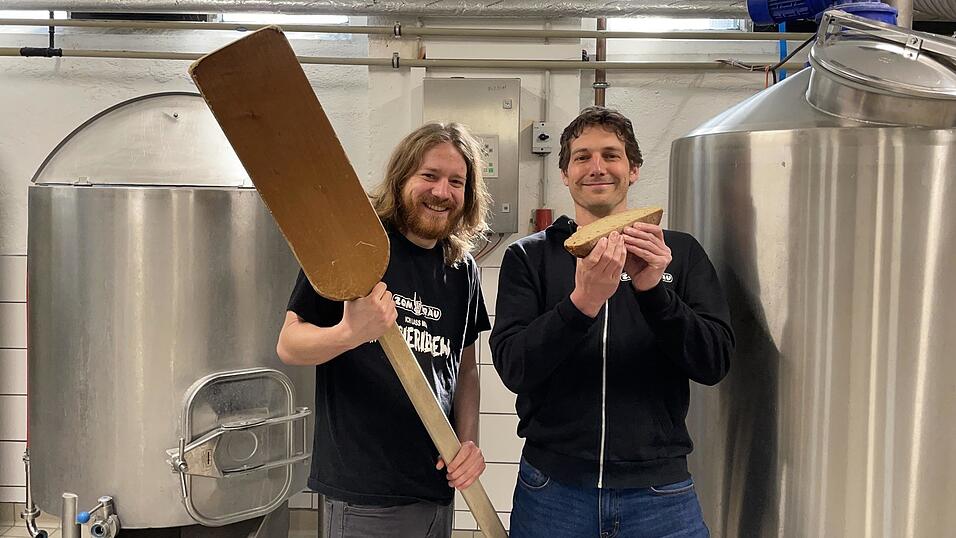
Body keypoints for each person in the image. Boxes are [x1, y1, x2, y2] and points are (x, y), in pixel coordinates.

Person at [490, 106, 735, 537]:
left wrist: (654, 293)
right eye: (582, 157)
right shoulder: (529, 256)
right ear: (564, 173)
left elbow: (712, 362)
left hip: (660, 492)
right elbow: (514, 368)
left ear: (634, 169)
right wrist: (581, 303)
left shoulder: (679, 252)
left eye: (611, 155)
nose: (596, 167)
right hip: (553, 490)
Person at [277, 122, 493, 538]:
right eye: (429, 176)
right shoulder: (355, 247)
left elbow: (464, 371)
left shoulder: (461, 269)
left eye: (456, 182)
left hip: (436, 490)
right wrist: (349, 333)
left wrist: (467, 445)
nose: (442, 192)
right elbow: (289, 344)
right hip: (366, 496)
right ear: (402, 179)